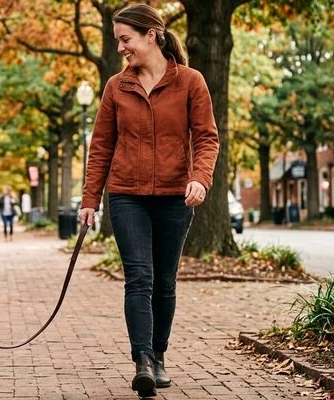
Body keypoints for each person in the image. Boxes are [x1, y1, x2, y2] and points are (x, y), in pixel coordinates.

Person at [78, 4, 219, 397]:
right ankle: (141, 360)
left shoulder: (191, 82)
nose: (121, 47)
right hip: (127, 197)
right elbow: (101, 145)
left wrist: (199, 179)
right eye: (118, 40)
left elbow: (207, 137)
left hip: (176, 196)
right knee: (139, 278)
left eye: (126, 39)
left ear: (151, 35)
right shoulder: (116, 87)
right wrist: (90, 199)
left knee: (165, 282)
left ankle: (158, 355)